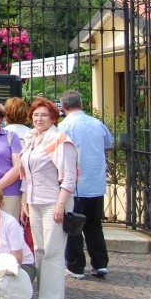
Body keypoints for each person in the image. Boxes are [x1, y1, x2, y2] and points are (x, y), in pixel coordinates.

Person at [20, 97, 78, 299]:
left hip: (54, 202)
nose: (38, 118)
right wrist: (25, 201)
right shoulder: (34, 139)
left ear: (54, 117)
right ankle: (43, 296)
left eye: (44, 115)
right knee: (40, 250)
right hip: (35, 202)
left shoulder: (61, 141)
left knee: (53, 252)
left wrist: (60, 205)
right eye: (35, 115)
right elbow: (26, 175)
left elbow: (70, 178)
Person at [58, 89, 114, 280]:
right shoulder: (96, 123)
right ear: (81, 104)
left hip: (76, 186)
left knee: (74, 226)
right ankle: (100, 263)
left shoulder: (64, 126)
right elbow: (109, 142)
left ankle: (76, 266)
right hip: (96, 183)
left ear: (64, 108)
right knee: (94, 225)